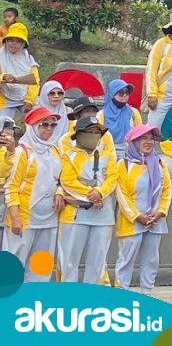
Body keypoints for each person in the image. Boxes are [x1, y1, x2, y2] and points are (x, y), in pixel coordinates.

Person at [5, 106, 63, 279]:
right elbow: (11, 187)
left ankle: (34, 302)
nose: (49, 129)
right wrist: (15, 218)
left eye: (53, 126)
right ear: (33, 126)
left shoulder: (55, 150)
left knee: (41, 267)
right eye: (44, 125)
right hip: (24, 219)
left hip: (48, 219)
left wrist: (59, 192)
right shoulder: (22, 152)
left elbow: (61, 179)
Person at [58, 117, 117, 283]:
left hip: (103, 214)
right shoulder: (68, 155)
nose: (94, 136)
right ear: (79, 134)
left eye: (97, 133)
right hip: (76, 215)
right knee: (70, 261)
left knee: (97, 263)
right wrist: (91, 195)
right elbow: (68, 181)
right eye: (89, 132)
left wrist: (100, 192)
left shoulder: (108, 155)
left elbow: (113, 177)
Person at [113, 124, 171, 292]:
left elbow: (166, 190)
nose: (148, 142)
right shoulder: (123, 165)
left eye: (151, 138)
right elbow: (121, 195)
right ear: (134, 141)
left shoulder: (160, 163)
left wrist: (160, 212)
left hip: (155, 221)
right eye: (143, 138)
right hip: (132, 222)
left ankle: (147, 295)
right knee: (126, 261)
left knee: (151, 261)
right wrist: (137, 216)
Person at [0, 22, 40, 120]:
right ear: (6, 41)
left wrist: (29, 101)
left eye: (18, 41)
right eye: (11, 40)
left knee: (37, 119)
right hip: (4, 98)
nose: (14, 44)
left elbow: (35, 82)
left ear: (23, 44)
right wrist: (3, 77)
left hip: (25, 97)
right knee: (3, 124)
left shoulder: (28, 60)